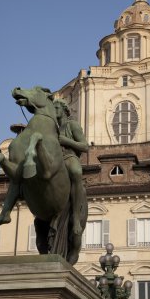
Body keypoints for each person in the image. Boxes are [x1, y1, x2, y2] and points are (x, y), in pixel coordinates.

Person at [53, 99, 88, 235]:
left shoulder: (72, 125)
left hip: (69, 156)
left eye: (56, 108)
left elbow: (85, 146)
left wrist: (66, 141)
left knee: (76, 171)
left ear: (64, 110)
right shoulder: (53, 129)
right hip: (55, 159)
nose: (54, 111)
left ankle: (76, 217)